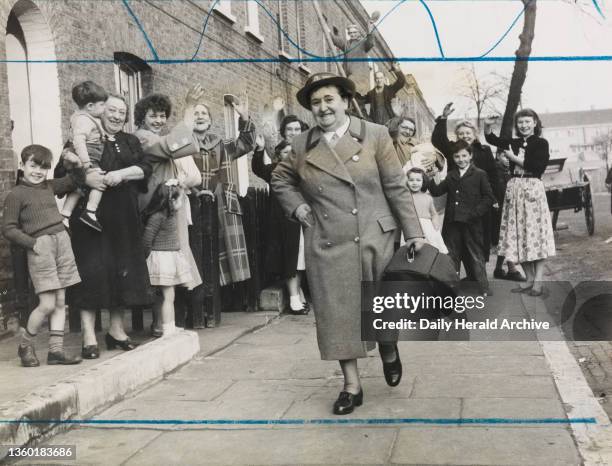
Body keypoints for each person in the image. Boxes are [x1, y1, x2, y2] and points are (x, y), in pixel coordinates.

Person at [271, 72, 425, 415]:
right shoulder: (301, 145)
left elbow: (397, 187)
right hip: (328, 240)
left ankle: (388, 347)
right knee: (337, 314)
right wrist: (297, 205)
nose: (323, 108)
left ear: (345, 101)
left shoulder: (375, 135)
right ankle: (351, 386)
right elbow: (280, 179)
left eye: (329, 100)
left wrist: (414, 232)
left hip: (376, 235)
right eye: (315, 103)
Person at [56, 94, 153, 359]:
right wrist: (85, 175)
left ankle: (116, 331)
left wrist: (121, 174)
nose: (117, 116)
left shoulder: (130, 141)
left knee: (121, 271)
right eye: (111, 110)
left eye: (122, 112)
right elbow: (60, 173)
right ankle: (89, 336)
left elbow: (146, 168)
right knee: (91, 274)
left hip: (122, 218)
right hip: (90, 220)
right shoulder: (84, 133)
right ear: (100, 111)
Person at [2, 145, 83, 367]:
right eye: (33, 165)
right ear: (22, 165)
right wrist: (33, 243)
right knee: (47, 303)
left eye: (43, 167)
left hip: (61, 242)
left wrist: (74, 162)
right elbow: (8, 228)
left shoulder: (49, 186)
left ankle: (56, 352)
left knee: (60, 301)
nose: (38, 171)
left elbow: (76, 181)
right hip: (40, 246)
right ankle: (25, 345)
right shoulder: (16, 194)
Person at [133, 91, 203, 336]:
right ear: (141, 117)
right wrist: (190, 107)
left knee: (161, 269)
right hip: (152, 206)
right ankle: (160, 324)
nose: (159, 120)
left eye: (163, 116)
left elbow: (181, 146)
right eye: (153, 115)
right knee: (157, 267)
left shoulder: (153, 136)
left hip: (163, 204)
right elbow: (173, 146)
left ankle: (162, 323)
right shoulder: (143, 138)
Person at [484, 109, 555, 296]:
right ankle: (529, 279)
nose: (524, 125)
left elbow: (537, 166)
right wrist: (487, 125)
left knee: (535, 237)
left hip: (532, 188)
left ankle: (538, 282)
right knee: (518, 235)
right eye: (521, 122)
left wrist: (513, 158)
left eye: (527, 122)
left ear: (535, 123)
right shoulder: (513, 142)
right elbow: (492, 139)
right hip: (515, 188)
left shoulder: (541, 143)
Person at [189, 93, 255, 286]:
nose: (200, 116)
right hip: (194, 202)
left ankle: (222, 297)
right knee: (200, 251)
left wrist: (243, 118)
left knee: (223, 248)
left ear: (210, 121)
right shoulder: (183, 145)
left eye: (204, 114)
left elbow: (246, 143)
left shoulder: (222, 144)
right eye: (195, 113)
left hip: (223, 201)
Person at [431, 103, 500, 265]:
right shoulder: (452, 150)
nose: (465, 136)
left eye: (468, 133)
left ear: (474, 134)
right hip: (457, 206)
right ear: (457, 135)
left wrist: (495, 199)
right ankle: (455, 278)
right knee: (455, 243)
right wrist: (443, 118)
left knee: (478, 242)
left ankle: (476, 278)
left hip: (479, 206)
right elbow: (437, 139)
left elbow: (493, 176)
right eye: (461, 133)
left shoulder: (484, 150)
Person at [428, 140, 494, 295]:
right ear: (453, 158)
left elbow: (488, 198)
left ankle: (484, 287)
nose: (461, 159)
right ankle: (453, 289)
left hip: (472, 223)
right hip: (453, 224)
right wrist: (429, 178)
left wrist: (475, 213)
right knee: (452, 255)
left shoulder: (479, 174)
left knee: (475, 254)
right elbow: (437, 191)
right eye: (457, 156)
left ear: (470, 156)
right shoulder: (451, 175)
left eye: (464, 155)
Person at [252, 137, 308, 314]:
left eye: (292, 153)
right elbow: (258, 168)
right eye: (285, 152)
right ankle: (293, 299)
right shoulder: (275, 170)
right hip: (282, 223)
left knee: (299, 261)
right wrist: (259, 149)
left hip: (301, 222)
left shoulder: (303, 170)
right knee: (290, 261)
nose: (289, 156)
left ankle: (297, 295)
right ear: (278, 155)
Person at [142, 179, 192, 336]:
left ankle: (167, 325)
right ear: (171, 200)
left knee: (166, 296)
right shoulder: (159, 217)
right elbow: (147, 240)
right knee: (168, 296)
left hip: (168, 257)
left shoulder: (169, 214)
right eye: (178, 199)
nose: (181, 203)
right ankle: (168, 329)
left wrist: (181, 188)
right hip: (163, 259)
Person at [61, 81, 108, 232]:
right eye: (102, 105)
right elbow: (79, 141)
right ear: (90, 106)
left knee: (79, 187)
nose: (104, 108)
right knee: (100, 181)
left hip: (81, 156)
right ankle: (90, 211)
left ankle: (65, 215)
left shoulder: (81, 117)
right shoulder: (85, 120)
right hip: (89, 157)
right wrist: (86, 161)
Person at [405, 167, 448, 254]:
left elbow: (434, 213)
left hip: (427, 227)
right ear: (407, 181)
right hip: (411, 227)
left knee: (430, 250)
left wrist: (435, 223)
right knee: (412, 251)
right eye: (411, 180)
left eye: (418, 180)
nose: (415, 183)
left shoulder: (427, 197)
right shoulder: (405, 197)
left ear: (423, 182)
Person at [329, 22, 375, 100]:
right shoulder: (347, 44)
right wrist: (328, 30)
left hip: (359, 78)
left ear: (358, 32)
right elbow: (336, 40)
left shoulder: (363, 43)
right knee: (348, 98)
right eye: (350, 33)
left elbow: (370, 43)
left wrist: (370, 29)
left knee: (356, 98)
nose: (352, 35)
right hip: (349, 77)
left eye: (354, 32)